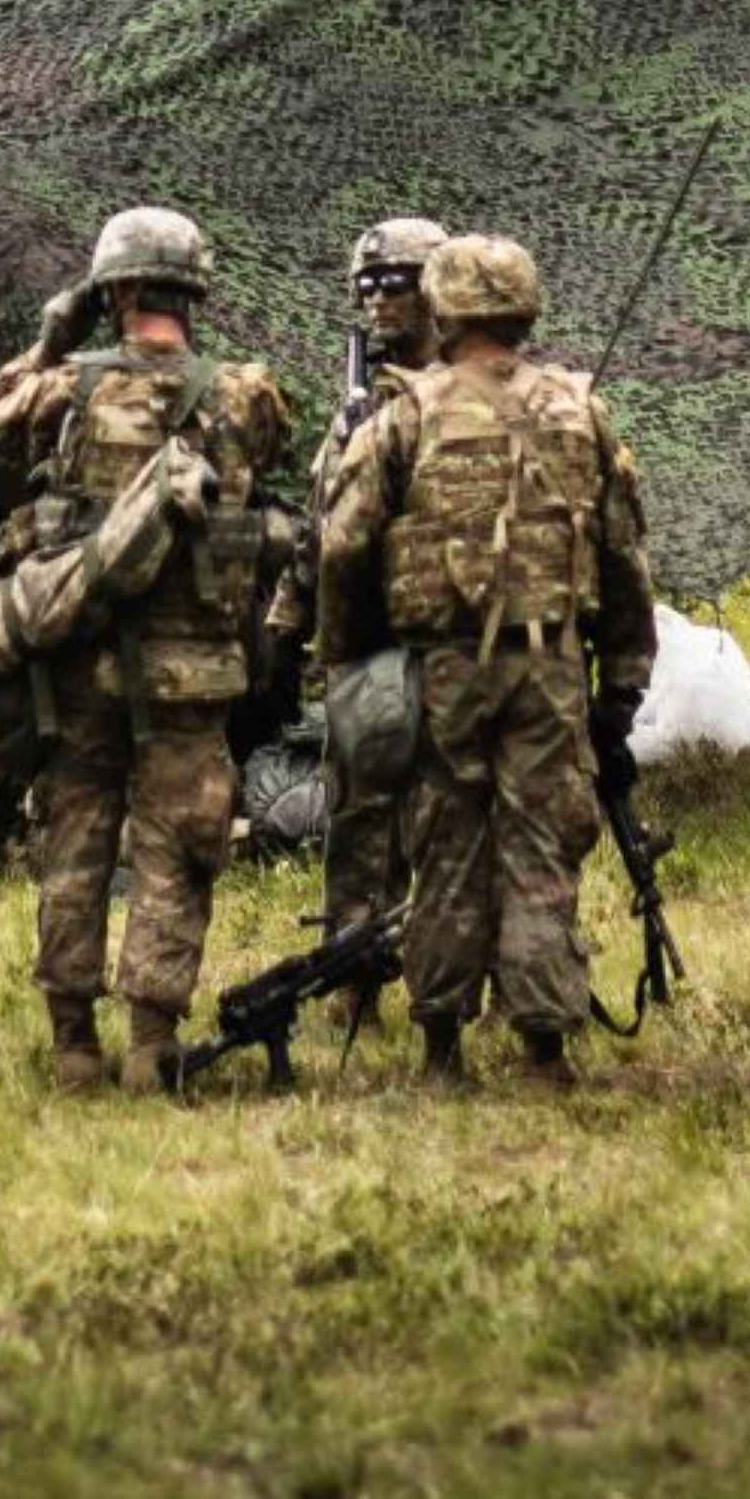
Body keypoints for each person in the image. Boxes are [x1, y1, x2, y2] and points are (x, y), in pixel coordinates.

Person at [0, 205, 313, 1095]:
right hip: (190, 669)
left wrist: (50, 341)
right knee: (179, 849)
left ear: (113, 290)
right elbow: (274, 455)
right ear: (192, 292)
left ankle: (71, 1046)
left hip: (77, 664)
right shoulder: (245, 394)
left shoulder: (59, 390)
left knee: (73, 844)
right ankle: (150, 1045)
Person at [307, 231, 650, 1084]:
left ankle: (440, 1047)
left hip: (443, 666)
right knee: (541, 847)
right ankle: (543, 1046)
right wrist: (621, 684)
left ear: (444, 308)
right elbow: (623, 557)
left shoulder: (405, 414)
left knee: (445, 845)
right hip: (549, 665)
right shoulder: (579, 410)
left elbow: (342, 547)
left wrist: (349, 659)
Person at [306, 220, 450, 1004]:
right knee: (360, 821)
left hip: (453, 638)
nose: (377, 300)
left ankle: (447, 987)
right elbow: (324, 520)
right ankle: (351, 982)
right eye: (366, 286)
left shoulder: (472, 393)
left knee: (448, 821)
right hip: (370, 640)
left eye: (395, 283)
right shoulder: (360, 405)